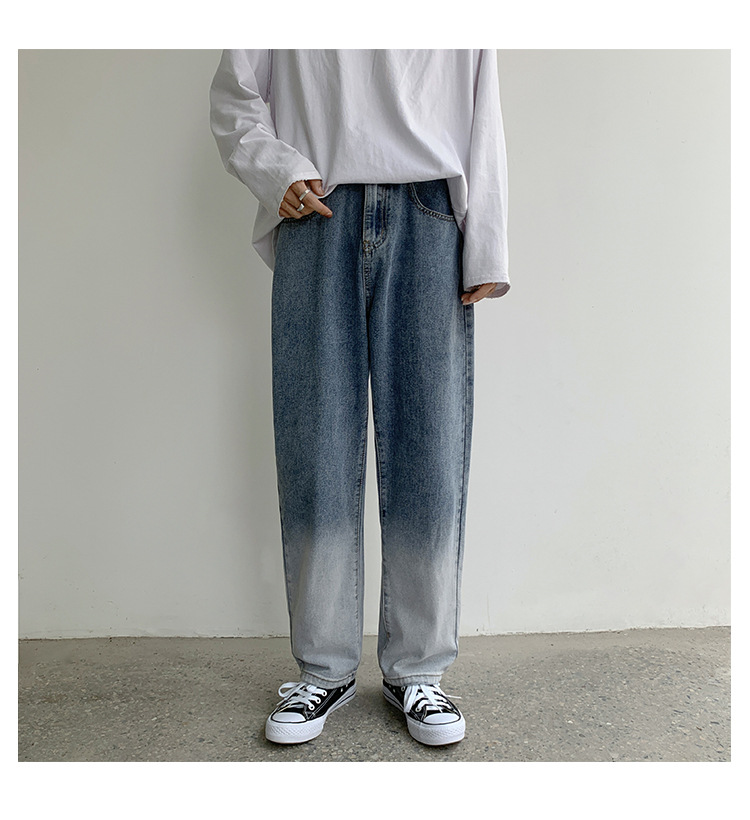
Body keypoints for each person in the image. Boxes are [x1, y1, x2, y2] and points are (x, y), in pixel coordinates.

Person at [209, 49, 509, 747]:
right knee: (316, 445)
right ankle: (324, 667)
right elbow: (234, 92)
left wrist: (488, 242)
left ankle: (420, 670)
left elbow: (483, 103)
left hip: (431, 210)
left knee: (429, 451)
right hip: (317, 205)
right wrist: (275, 169)